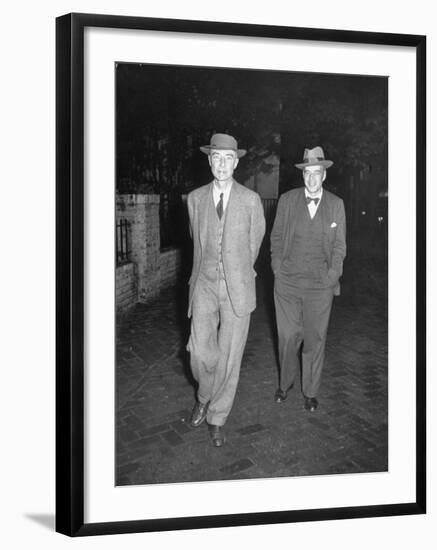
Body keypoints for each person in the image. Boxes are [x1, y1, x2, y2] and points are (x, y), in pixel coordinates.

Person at [186, 133, 265, 446]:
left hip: (237, 287)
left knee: (230, 357)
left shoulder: (250, 200)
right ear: (209, 160)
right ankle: (204, 394)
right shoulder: (194, 199)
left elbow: (252, 246)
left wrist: (236, 273)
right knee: (199, 352)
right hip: (203, 283)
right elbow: (196, 240)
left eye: (227, 158)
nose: (221, 164)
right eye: (216, 157)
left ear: (236, 162)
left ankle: (217, 416)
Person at [270, 146, 346, 411]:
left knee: (315, 338)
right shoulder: (287, 201)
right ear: (302, 175)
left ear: (324, 175)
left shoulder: (336, 205)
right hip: (288, 283)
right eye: (307, 173)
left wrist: (332, 274)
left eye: (317, 173)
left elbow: (339, 247)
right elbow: (276, 237)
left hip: (320, 286)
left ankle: (310, 391)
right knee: (288, 335)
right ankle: (285, 382)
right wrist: (277, 268)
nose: (312, 179)